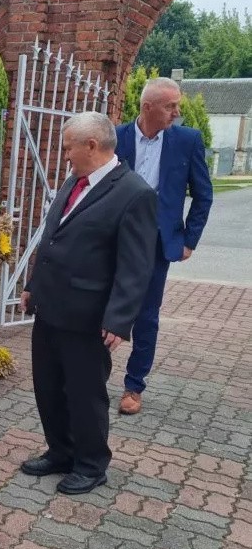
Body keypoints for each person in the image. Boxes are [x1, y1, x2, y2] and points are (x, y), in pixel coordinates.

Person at [19, 112, 157, 495]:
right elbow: (53, 239)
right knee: (48, 387)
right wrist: (33, 285)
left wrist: (118, 319)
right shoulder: (74, 182)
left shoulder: (134, 193)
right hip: (51, 307)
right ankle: (60, 451)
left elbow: (135, 266)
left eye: (68, 147)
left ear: (92, 146)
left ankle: (92, 464)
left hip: (88, 316)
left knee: (84, 393)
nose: (65, 155)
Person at [115, 78, 213, 415]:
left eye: (177, 105)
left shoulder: (187, 141)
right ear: (148, 107)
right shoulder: (117, 137)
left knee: (146, 315)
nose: (177, 112)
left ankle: (134, 385)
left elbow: (203, 194)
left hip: (158, 241)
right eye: (170, 106)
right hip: (114, 237)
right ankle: (90, 374)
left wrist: (189, 239)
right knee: (99, 302)